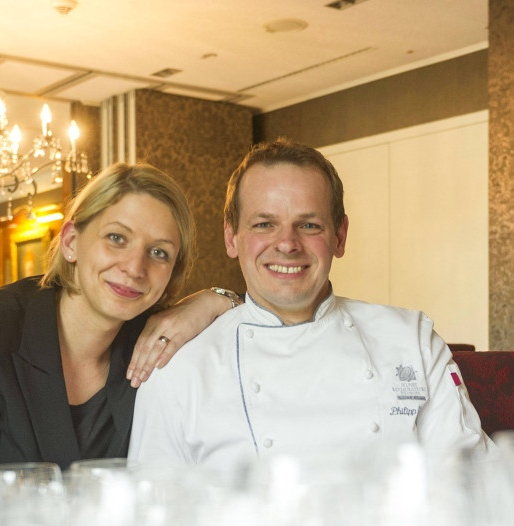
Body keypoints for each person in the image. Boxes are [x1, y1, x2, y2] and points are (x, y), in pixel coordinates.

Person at [128, 138, 494, 466]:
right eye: (263, 224)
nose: (287, 244)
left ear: (340, 236)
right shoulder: (177, 368)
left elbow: (472, 482)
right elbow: (154, 519)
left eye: (309, 225)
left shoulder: (413, 340)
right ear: (231, 238)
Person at [0, 162, 238, 469]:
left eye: (158, 253)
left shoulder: (159, 343)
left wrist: (216, 300)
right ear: (71, 241)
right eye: (116, 238)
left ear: (172, 273)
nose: (136, 267)